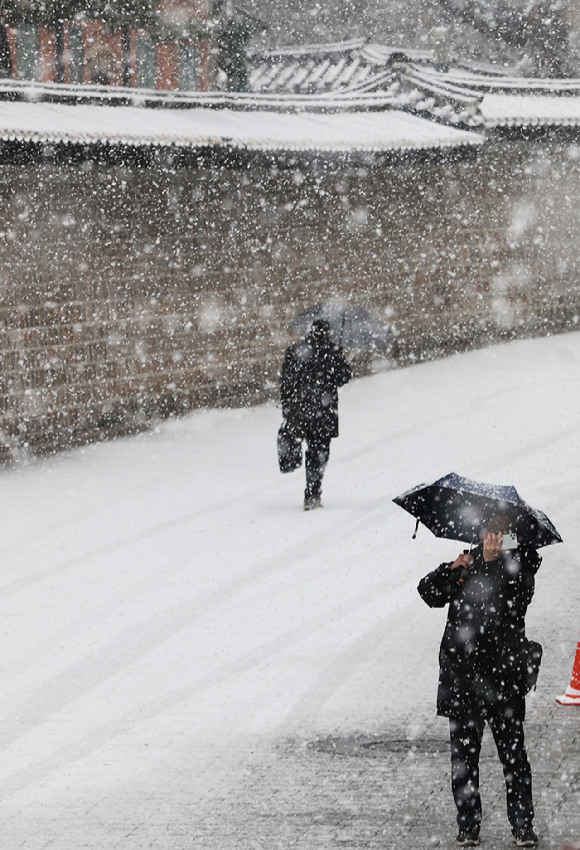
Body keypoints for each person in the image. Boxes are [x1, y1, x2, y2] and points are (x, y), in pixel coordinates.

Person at [417, 515, 542, 847]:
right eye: (488, 531)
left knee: (514, 756)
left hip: (503, 679)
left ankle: (522, 825)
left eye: (499, 532)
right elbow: (428, 592)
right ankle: (468, 824)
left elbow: (516, 603)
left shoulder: (520, 567)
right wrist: (454, 570)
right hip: (463, 680)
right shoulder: (466, 563)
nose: (492, 538)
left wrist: (492, 567)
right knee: (464, 759)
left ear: (510, 536)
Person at [280, 319, 351, 510]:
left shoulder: (296, 352)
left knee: (302, 444)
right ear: (327, 333)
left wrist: (288, 408)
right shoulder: (333, 352)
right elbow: (344, 378)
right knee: (318, 452)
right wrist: (339, 360)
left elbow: (285, 382)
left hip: (301, 411)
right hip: (324, 412)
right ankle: (312, 493)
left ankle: (297, 468)